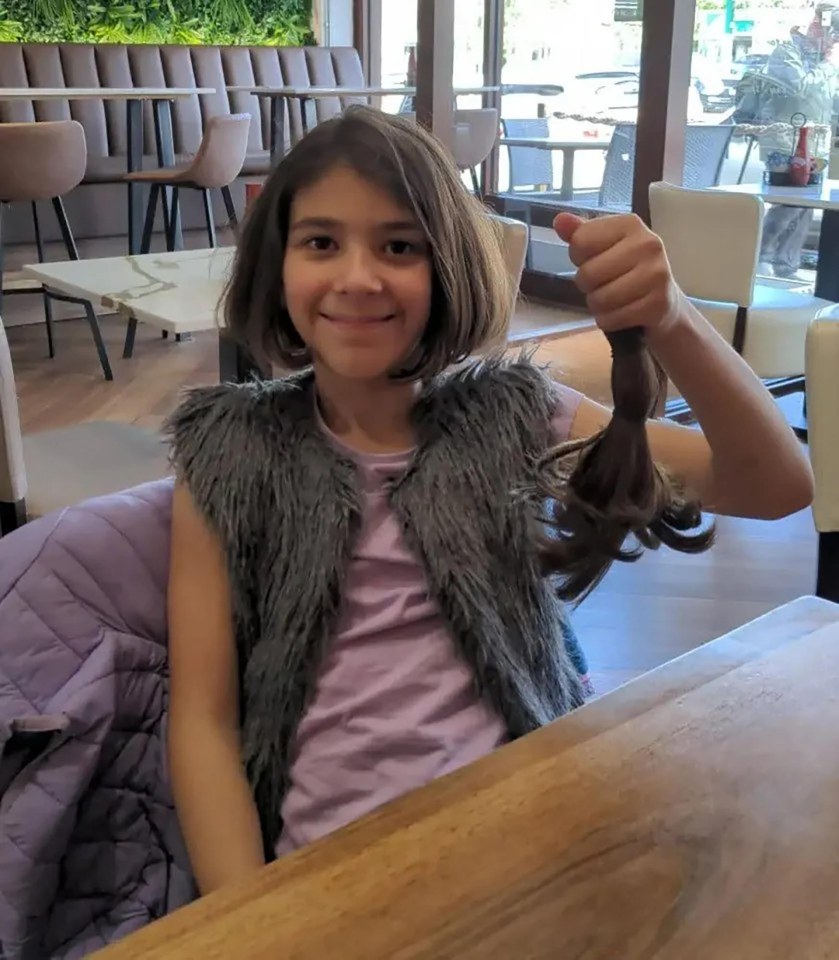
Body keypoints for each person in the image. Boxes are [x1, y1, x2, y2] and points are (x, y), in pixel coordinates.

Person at [164, 106, 813, 896]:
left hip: (533, 833)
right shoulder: (226, 451)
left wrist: (672, 318)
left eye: (399, 245)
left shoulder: (515, 414)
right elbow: (202, 720)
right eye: (321, 242)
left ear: (445, 267)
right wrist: (243, 919)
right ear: (278, 261)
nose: (358, 276)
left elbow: (774, 484)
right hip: (328, 868)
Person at [736, 7, 839, 277]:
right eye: (831, 33)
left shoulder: (824, 59)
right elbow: (799, 87)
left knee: (809, 203)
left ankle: (786, 262)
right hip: (784, 138)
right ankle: (763, 253)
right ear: (815, 25)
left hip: (816, 141)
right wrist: (829, 66)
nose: (832, 40)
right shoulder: (787, 52)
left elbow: (829, 99)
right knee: (791, 199)